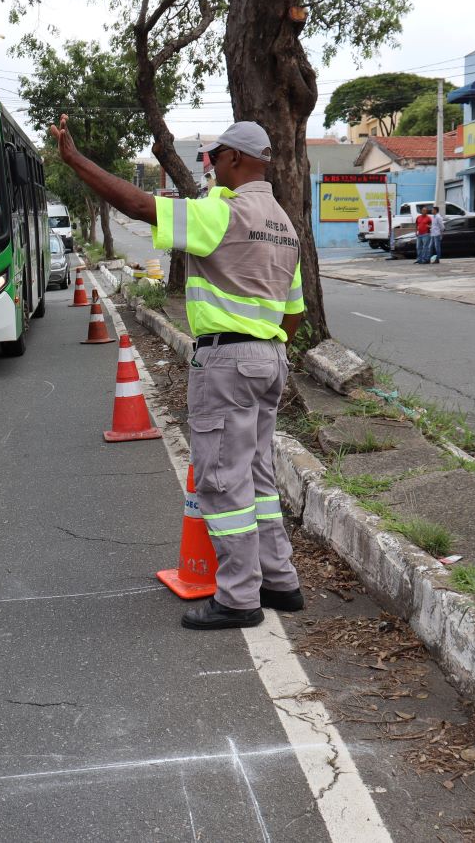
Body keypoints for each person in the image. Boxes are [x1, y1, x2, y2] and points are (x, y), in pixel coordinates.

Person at [49, 115, 305, 630]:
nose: (209, 167)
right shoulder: (284, 225)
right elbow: (294, 310)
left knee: (222, 481)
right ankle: (281, 581)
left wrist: (75, 159)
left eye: (214, 158)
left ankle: (238, 598)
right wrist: (263, 350)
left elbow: (140, 205)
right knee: (257, 476)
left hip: (228, 362)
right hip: (270, 359)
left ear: (235, 158)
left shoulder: (223, 213)